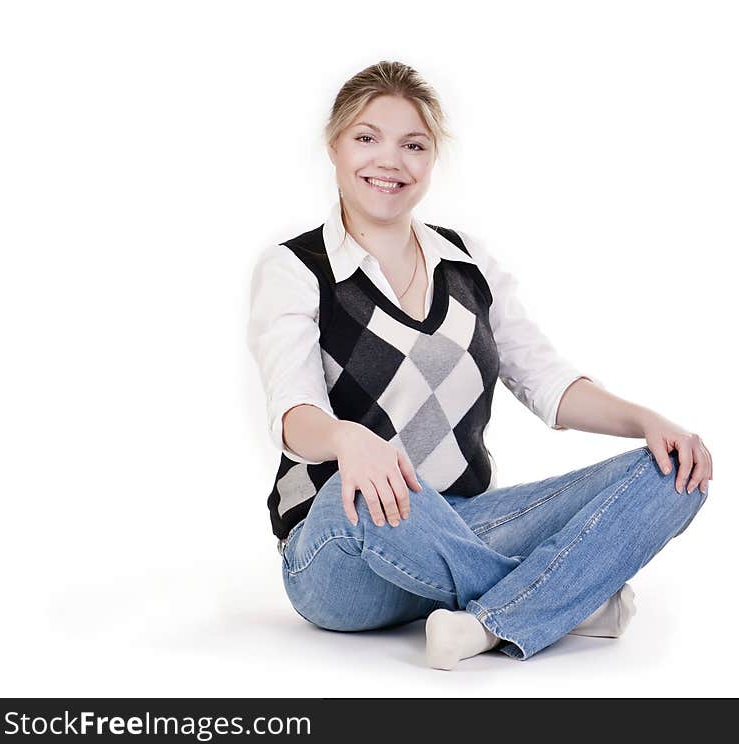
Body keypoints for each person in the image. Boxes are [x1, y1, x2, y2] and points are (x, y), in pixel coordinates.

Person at [246, 60, 713, 670]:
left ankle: (486, 621)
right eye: (367, 138)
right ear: (334, 146)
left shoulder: (466, 261)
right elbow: (294, 413)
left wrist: (648, 421)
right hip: (342, 546)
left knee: (673, 473)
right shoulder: (295, 268)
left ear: (432, 159)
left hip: (462, 523)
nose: (390, 162)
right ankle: (561, 600)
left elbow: (546, 381)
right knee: (351, 494)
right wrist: (347, 440)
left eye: (412, 145)